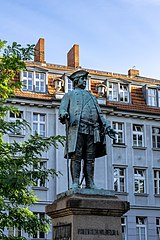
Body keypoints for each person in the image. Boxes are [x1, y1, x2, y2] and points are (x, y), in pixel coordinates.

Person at [59, 70, 116, 189]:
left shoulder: (92, 97)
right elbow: (62, 109)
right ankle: (75, 182)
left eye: (85, 79)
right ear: (76, 81)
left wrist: (108, 127)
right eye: (82, 79)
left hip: (92, 130)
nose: (85, 81)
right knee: (76, 156)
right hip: (77, 129)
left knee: (90, 158)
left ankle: (90, 182)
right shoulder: (69, 95)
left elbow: (100, 115)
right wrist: (64, 114)